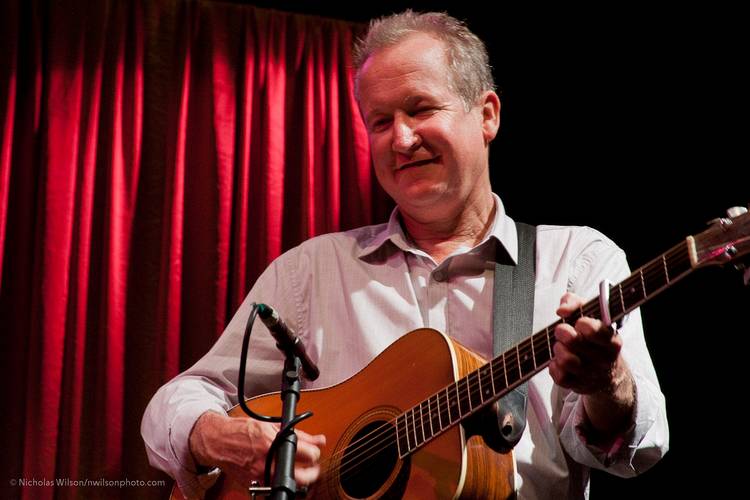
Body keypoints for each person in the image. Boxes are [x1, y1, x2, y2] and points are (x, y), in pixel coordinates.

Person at [141, 10, 668, 499]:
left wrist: (608, 385)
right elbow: (181, 396)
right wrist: (213, 435)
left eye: (420, 109)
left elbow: (636, 448)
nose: (402, 139)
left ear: (487, 115)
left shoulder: (575, 260)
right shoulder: (312, 271)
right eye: (380, 121)